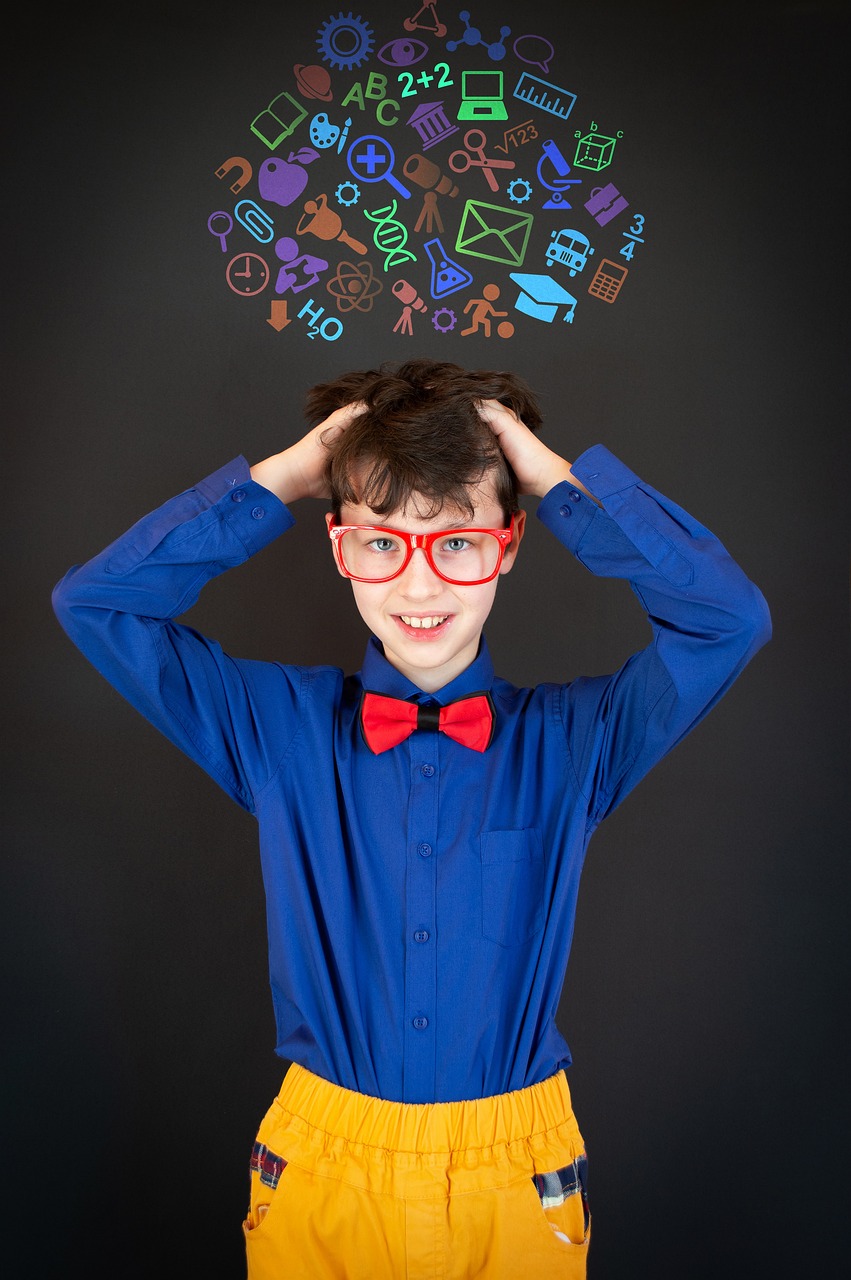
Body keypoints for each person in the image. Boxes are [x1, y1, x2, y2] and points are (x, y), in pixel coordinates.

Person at [51, 358, 771, 1279]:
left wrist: (553, 480)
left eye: (457, 543)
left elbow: (726, 621)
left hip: (516, 1174)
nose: (419, 587)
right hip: (323, 1164)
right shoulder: (275, 729)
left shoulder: (579, 740)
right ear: (339, 545)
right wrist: (288, 475)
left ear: (506, 546)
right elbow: (96, 604)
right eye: (382, 542)